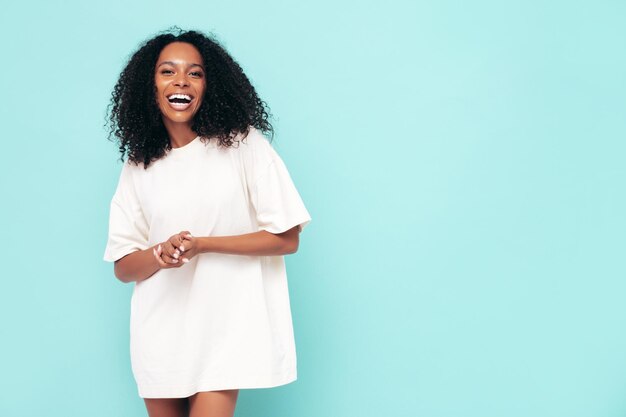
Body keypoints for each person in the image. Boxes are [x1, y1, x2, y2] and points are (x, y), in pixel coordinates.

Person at [102, 27, 311, 417]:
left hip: (224, 331)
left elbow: (287, 237)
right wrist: (159, 254)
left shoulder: (243, 145)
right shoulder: (139, 166)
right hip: (160, 331)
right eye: (168, 71)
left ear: (209, 84)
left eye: (194, 73)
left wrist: (204, 244)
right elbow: (123, 265)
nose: (181, 81)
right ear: (149, 84)